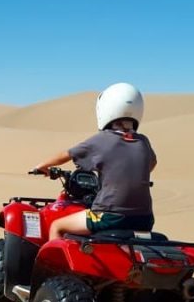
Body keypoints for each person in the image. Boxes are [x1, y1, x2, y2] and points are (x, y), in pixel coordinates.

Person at [33, 83, 157, 240]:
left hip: (109, 217)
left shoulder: (101, 140)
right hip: (145, 220)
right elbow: (151, 164)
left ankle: (50, 265)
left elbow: (67, 154)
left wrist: (43, 166)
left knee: (57, 226)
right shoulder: (143, 141)